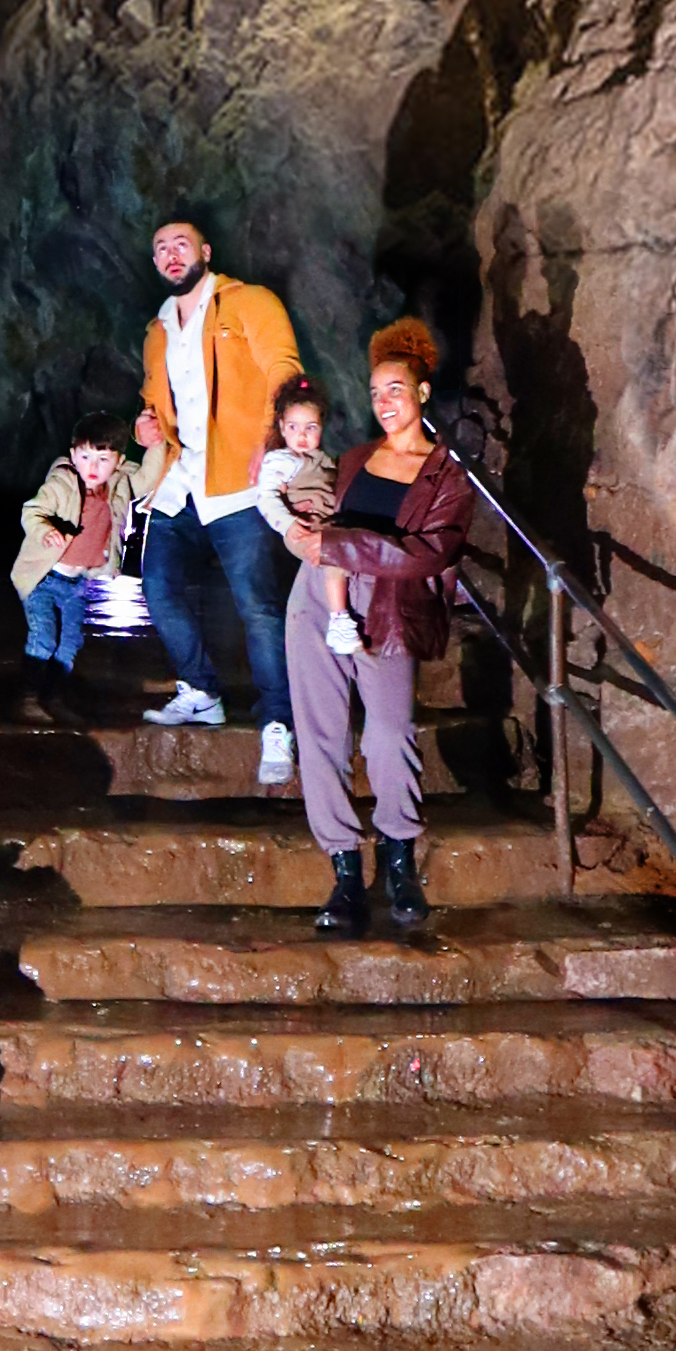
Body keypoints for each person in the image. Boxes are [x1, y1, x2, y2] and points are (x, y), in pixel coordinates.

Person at [291, 317, 481, 938]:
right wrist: (304, 535)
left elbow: (430, 552)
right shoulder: (353, 459)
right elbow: (318, 524)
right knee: (320, 735)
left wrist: (340, 545)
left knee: (390, 734)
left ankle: (398, 859)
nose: (384, 403)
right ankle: (345, 870)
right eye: (375, 393)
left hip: (388, 607)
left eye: (395, 389)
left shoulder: (446, 475)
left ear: (422, 393)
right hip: (318, 596)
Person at [135, 214, 302, 776]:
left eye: (181, 243)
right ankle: (200, 690)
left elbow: (285, 370)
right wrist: (146, 427)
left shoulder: (248, 302)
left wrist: (270, 439)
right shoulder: (157, 330)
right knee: (158, 587)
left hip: (237, 480)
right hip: (180, 481)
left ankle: (277, 720)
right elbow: (155, 399)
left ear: (206, 250)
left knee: (256, 605)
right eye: (161, 247)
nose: (171, 253)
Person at [6, 422, 140, 701]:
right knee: (44, 636)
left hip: (77, 585)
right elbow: (31, 511)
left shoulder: (117, 486)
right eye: (85, 457)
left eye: (103, 459)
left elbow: (147, 476)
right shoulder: (62, 483)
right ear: (73, 455)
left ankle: (53, 697)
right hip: (44, 579)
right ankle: (27, 698)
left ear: (118, 462)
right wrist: (45, 530)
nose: (93, 466)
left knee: (69, 644)